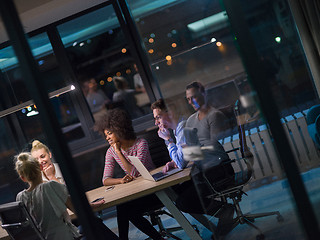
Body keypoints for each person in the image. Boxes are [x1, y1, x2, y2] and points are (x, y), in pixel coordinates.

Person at [152, 98, 235, 237]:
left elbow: (181, 162)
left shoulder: (184, 128)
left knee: (183, 201)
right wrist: (175, 160)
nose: (156, 122)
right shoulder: (182, 126)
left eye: (158, 117)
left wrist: (168, 141)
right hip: (215, 168)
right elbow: (189, 155)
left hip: (218, 171)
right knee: (177, 190)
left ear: (170, 112)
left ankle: (224, 211)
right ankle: (221, 214)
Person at [94, 108, 164, 240]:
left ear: (119, 129)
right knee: (123, 207)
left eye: (109, 133)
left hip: (154, 190)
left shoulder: (140, 144)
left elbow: (135, 173)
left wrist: (119, 152)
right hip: (137, 192)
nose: (107, 138)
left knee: (128, 211)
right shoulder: (110, 151)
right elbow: (105, 179)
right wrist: (120, 181)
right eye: (105, 135)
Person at [14, 152, 119, 240]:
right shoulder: (50, 186)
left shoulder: (20, 197)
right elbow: (77, 209)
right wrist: (91, 205)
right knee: (95, 223)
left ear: (23, 177)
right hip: (66, 237)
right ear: (41, 167)